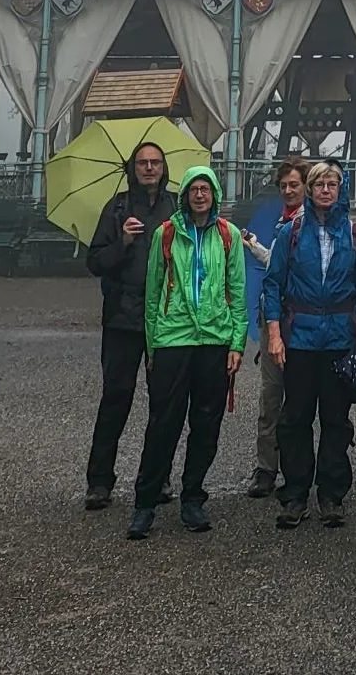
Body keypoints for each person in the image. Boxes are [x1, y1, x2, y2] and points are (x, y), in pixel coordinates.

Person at [127, 165, 247, 539]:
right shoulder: (166, 234)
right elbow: (152, 293)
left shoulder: (229, 236)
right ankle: (145, 502)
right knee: (163, 424)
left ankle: (193, 496)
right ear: (184, 196)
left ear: (214, 194)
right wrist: (152, 345)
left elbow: (238, 292)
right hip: (174, 339)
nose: (199, 195)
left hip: (214, 340)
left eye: (205, 188)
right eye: (193, 188)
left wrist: (237, 342)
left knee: (207, 424)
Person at [261, 159, 356, 529]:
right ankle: (295, 493)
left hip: (340, 338)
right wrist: (276, 335)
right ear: (309, 190)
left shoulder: (355, 233)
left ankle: (331, 494)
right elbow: (272, 285)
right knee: (295, 416)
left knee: (335, 418)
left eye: (332, 184)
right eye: (319, 184)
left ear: (341, 188)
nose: (326, 190)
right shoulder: (291, 233)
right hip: (301, 337)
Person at [81, 139, 176, 509]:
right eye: (142, 163)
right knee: (115, 398)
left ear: (164, 167)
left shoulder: (175, 207)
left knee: (163, 403)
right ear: (133, 169)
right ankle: (99, 480)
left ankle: (157, 477)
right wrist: (122, 241)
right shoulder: (117, 207)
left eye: (155, 162)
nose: (149, 168)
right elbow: (95, 261)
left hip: (164, 321)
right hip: (122, 318)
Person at [240, 157, 307, 497]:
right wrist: (254, 247)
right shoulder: (283, 221)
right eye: (283, 186)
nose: (288, 190)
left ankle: (292, 468)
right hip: (273, 318)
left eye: (294, 184)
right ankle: (266, 466)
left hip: (300, 321)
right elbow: (277, 263)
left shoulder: (311, 223)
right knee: (270, 396)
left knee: (295, 398)